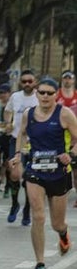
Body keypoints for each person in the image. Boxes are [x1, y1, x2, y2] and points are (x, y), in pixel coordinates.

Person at [10, 76, 76, 269]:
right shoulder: (29, 114)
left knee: (57, 223)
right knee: (38, 216)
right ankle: (39, 262)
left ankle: (63, 234)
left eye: (49, 93)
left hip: (59, 173)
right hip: (35, 171)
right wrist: (19, 154)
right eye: (42, 92)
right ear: (36, 94)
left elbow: (76, 140)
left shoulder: (64, 114)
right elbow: (21, 134)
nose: (45, 96)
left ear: (55, 95)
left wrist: (71, 155)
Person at [4, 70, 38, 226]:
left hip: (36, 142)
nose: (27, 84)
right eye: (24, 81)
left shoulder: (40, 96)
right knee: (14, 174)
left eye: (30, 81)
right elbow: (7, 111)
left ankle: (27, 210)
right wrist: (8, 123)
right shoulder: (15, 97)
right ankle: (14, 203)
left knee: (30, 179)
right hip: (16, 139)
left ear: (35, 81)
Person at [58, 70, 77, 202]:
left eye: (70, 78)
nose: (67, 80)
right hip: (60, 137)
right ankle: (58, 192)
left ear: (73, 81)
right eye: (65, 78)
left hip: (75, 137)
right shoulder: (55, 96)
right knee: (61, 168)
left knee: (76, 171)